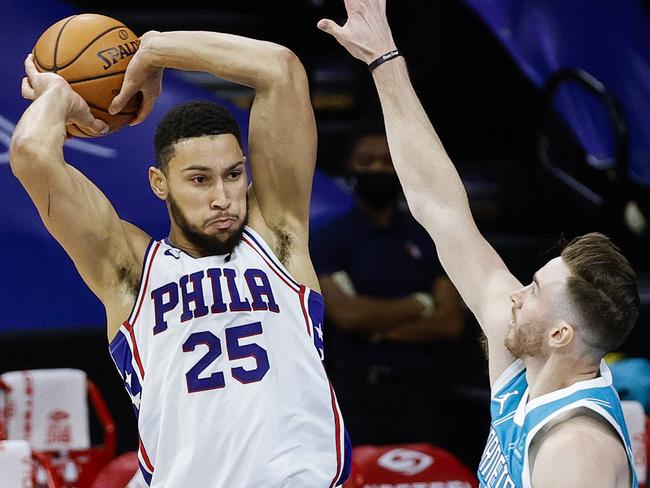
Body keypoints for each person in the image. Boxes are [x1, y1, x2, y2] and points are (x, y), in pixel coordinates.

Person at [317, 1, 639, 487]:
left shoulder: (576, 447)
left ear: (560, 335)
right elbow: (441, 210)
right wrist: (384, 61)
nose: (515, 293)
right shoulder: (524, 369)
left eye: (533, 289)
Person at [10, 30, 350, 487]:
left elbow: (279, 68)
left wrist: (154, 50)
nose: (223, 197)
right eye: (199, 180)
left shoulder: (277, 234)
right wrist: (55, 96)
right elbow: (31, 153)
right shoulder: (130, 271)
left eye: (233, 175)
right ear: (159, 183)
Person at [311, 124, 465, 448]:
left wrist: (377, 328)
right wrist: (421, 304)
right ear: (350, 168)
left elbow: (450, 322)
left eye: (387, 161)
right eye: (367, 161)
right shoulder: (329, 238)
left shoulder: (427, 234)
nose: (378, 169)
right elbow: (349, 316)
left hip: (424, 394)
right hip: (355, 394)